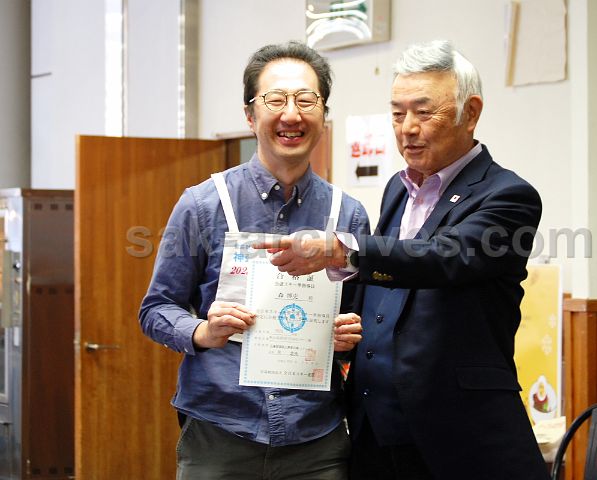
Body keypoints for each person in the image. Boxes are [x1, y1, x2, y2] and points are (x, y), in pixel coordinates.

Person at [256, 40, 550, 479]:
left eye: (424, 112)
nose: (408, 128)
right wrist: (335, 323)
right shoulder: (398, 189)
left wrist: (340, 249)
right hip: (377, 432)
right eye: (397, 114)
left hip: (461, 436)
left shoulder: (507, 195)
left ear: (470, 112)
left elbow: (444, 256)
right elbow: (384, 282)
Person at [139, 41, 370, 480]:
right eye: (275, 100)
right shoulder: (203, 205)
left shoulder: (349, 215)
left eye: (306, 100)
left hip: (316, 439)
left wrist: (348, 333)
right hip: (220, 432)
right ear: (250, 114)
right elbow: (156, 309)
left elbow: (361, 317)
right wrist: (203, 331)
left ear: (323, 115)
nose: (291, 114)